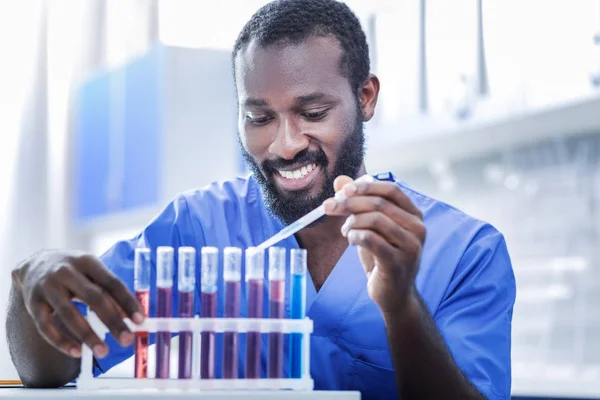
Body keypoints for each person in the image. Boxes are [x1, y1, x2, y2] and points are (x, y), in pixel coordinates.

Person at [6, 0, 516, 398]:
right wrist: (34, 284)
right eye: (259, 118)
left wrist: (401, 307)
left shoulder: (467, 252)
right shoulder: (196, 227)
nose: (285, 143)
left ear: (365, 98)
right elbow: (47, 369)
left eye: (313, 112)